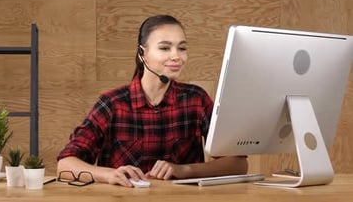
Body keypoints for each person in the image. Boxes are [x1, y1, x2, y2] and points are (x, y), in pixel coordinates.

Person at [57, 15, 247, 187]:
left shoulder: (196, 99)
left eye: (182, 48)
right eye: (165, 48)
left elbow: (238, 163)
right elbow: (65, 164)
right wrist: (109, 175)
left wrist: (184, 170)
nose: (176, 56)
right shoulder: (112, 103)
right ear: (143, 53)